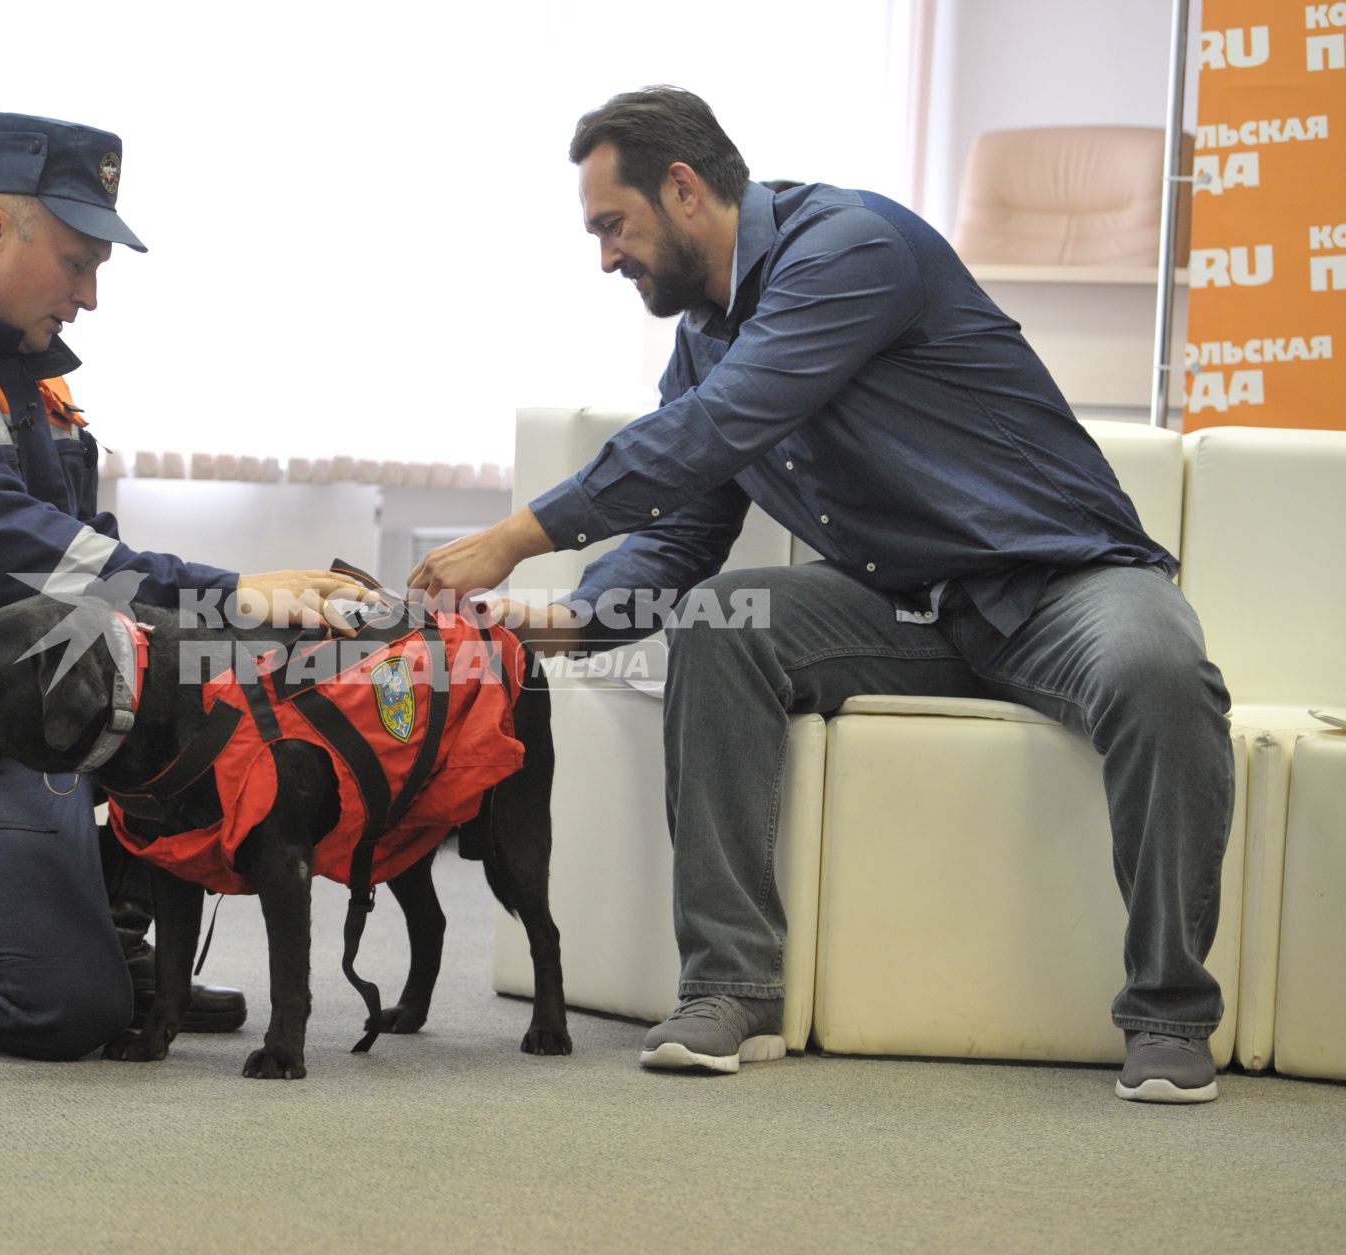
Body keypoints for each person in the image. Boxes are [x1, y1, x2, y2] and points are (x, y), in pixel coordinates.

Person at [408, 87, 1234, 1103]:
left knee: (1159, 669)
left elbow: (715, 428)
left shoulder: (848, 248)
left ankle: (1168, 1009)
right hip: (899, 605)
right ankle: (731, 988)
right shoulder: (706, 335)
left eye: (612, 226)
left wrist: (511, 538)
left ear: (683, 189)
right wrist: (564, 619)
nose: (607, 257)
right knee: (723, 624)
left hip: (1059, 581)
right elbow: (685, 528)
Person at [0, 112, 369, 1060]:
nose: (90, 298)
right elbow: (8, 550)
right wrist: (225, 592)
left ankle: (113, 935)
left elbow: (92, 563)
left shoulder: (22, 374)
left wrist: (257, 635)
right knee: (54, 1005)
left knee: (188, 717)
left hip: (38, 703)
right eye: (79, 265)